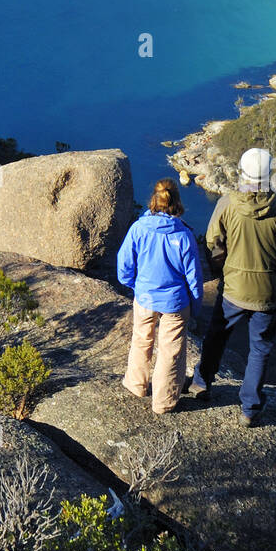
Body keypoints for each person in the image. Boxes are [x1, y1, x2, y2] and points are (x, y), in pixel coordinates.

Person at [186, 146, 276, 426]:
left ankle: (201, 383)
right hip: (269, 292)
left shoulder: (227, 204)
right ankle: (250, 408)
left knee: (217, 335)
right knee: (260, 348)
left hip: (233, 289)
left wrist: (222, 272)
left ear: (242, 173)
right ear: (269, 174)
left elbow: (214, 244)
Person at [117, 178, 204, 415]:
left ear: (154, 199)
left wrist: (136, 286)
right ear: (176, 201)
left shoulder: (138, 228)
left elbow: (124, 266)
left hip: (145, 297)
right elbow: (194, 278)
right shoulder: (184, 235)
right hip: (175, 302)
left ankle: (136, 385)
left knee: (141, 339)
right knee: (170, 351)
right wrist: (195, 307)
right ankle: (163, 402)